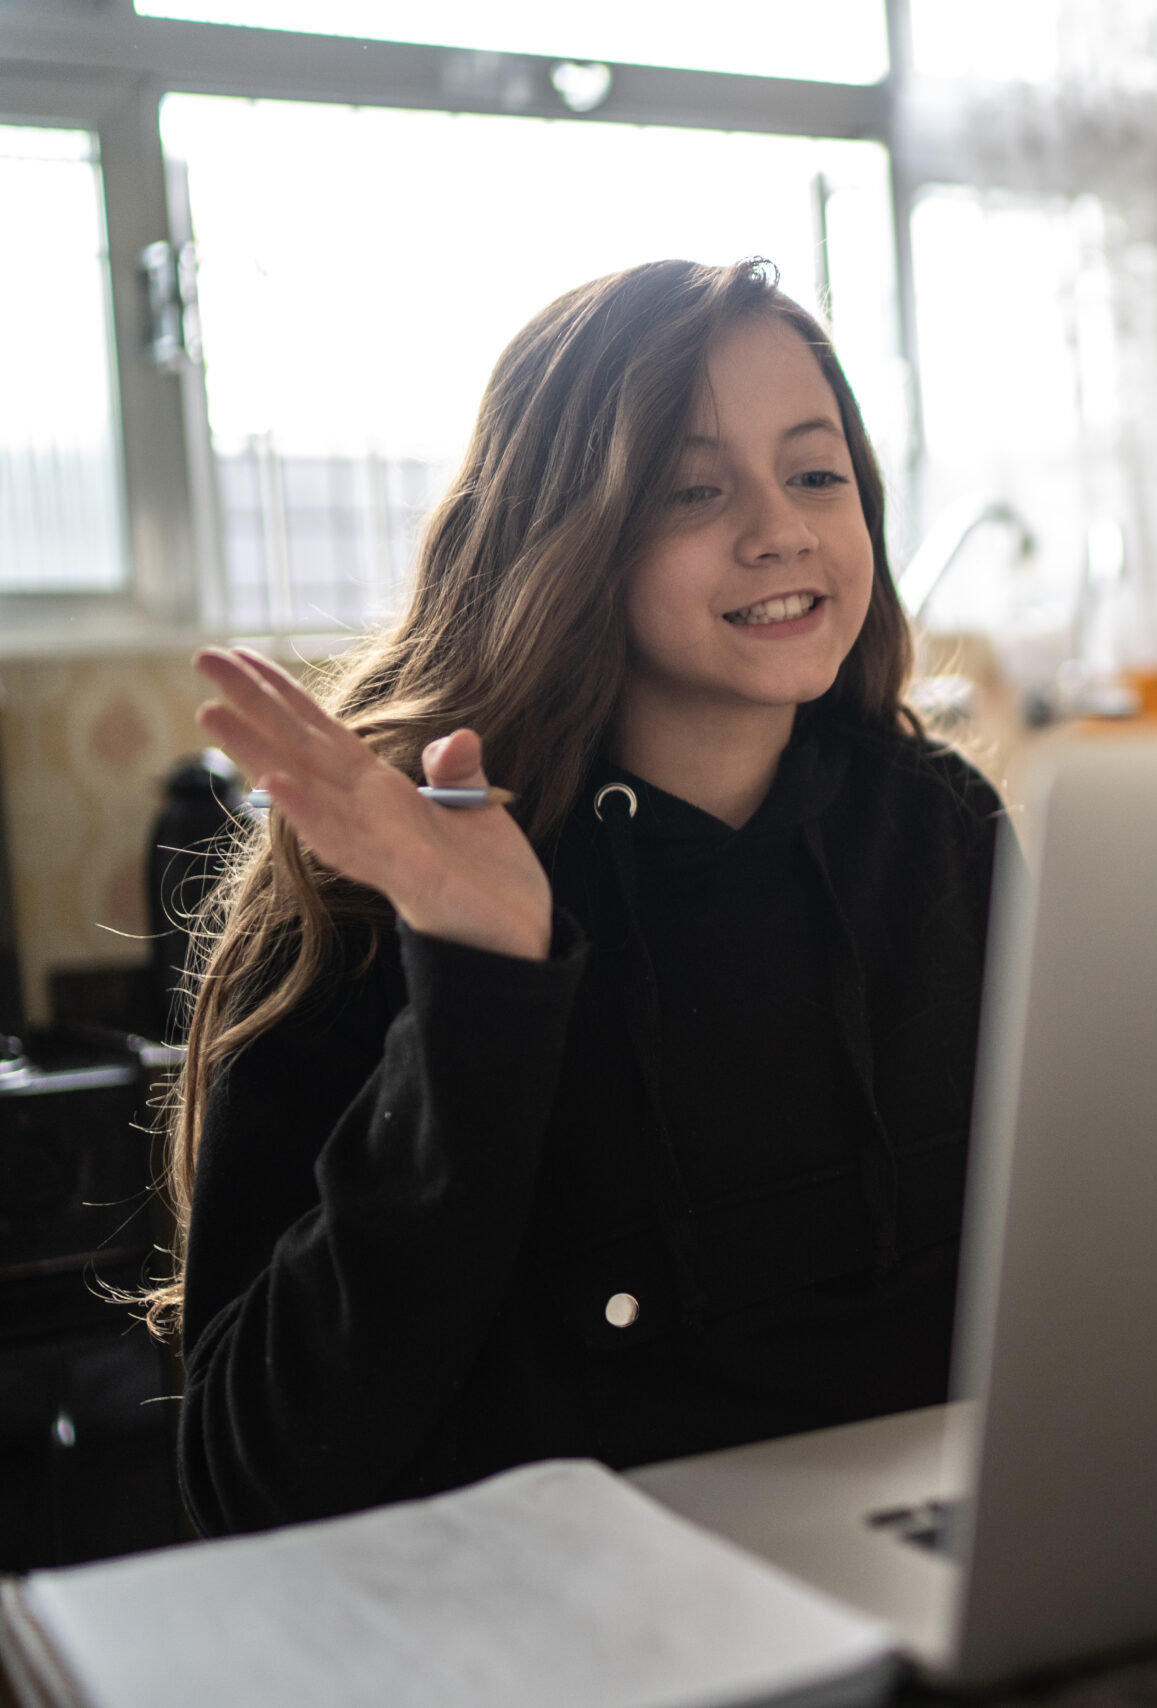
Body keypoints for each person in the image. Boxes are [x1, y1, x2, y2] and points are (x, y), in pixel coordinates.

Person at [155, 259, 1006, 1536]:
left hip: (934, 1575)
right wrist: (485, 985)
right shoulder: (387, 884)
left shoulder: (942, 825)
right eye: (693, 487)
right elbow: (250, 1481)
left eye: (815, 471)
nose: (780, 528)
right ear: (567, 534)